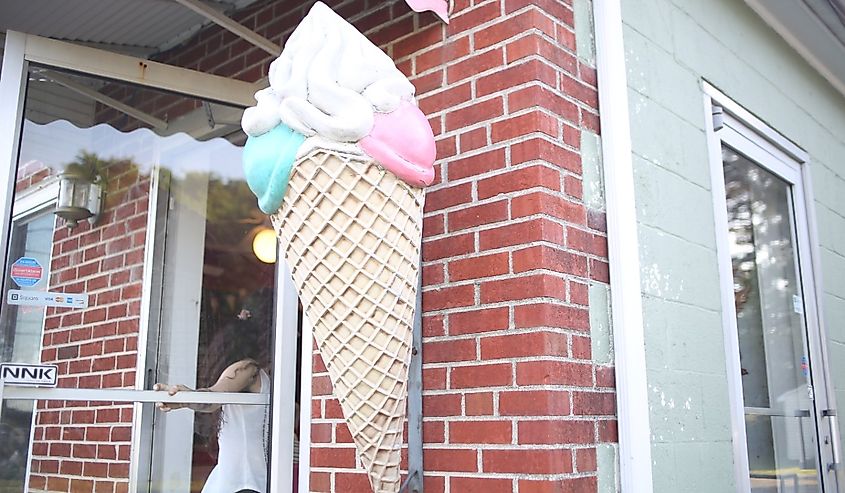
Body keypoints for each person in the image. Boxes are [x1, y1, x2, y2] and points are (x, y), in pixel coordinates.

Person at [154, 357, 271, 493]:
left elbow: (213, 399)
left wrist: (185, 399)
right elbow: (213, 399)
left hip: (242, 480)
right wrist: (184, 399)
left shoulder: (248, 369)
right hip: (245, 480)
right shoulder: (253, 373)